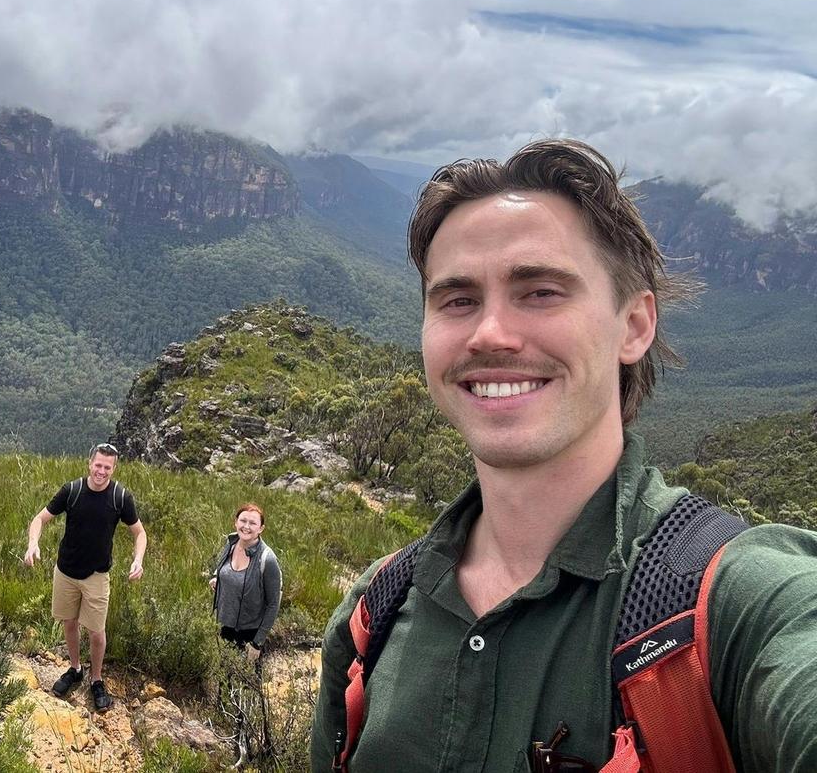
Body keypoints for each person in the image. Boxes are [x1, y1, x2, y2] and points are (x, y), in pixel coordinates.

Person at [310, 139, 817, 771]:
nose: (489, 332)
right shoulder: (372, 619)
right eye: (457, 299)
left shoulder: (733, 607)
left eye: (542, 291)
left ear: (634, 325)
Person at [24, 442, 147, 713]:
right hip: (66, 571)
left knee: (96, 631)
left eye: (107, 467)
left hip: (97, 575)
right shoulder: (72, 490)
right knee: (69, 622)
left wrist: (138, 559)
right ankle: (75, 669)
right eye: (98, 465)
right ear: (89, 463)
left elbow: (139, 532)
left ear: (114, 469)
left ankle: (97, 679)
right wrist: (33, 543)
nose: (101, 471)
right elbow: (40, 519)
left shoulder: (120, 497)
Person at [209, 503, 282, 662]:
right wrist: (217, 578)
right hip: (223, 627)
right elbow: (221, 567)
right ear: (236, 522)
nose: (246, 526)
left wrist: (257, 643)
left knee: (247, 683)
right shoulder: (231, 543)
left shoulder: (267, 559)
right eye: (243, 521)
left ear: (261, 528)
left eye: (253, 523)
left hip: (250, 634)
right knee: (224, 680)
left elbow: (273, 604)